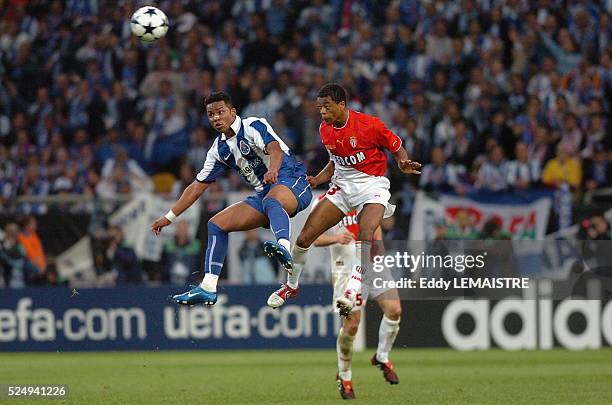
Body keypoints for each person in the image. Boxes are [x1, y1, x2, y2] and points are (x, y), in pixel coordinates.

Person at [267, 83, 420, 319]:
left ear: (342, 104)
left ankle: (354, 287)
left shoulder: (369, 125)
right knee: (305, 236)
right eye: (320, 108)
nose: (323, 112)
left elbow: (396, 144)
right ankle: (291, 285)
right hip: (342, 187)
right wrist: (317, 179)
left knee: (367, 231)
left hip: (372, 185)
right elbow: (335, 162)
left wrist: (403, 161)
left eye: (327, 107)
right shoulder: (325, 130)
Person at [151, 91, 312, 305]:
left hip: (293, 180)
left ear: (232, 111)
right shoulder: (218, 150)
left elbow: (274, 148)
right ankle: (208, 287)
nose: (216, 118)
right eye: (211, 114)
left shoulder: (252, 125)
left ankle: (283, 247)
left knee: (272, 199)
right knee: (217, 224)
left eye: (220, 112)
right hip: (265, 194)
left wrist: (273, 169)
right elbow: (196, 188)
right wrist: (169, 217)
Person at [311, 194, 401, 399]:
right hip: (345, 271)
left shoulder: (367, 191)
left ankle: (382, 357)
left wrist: (379, 251)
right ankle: (344, 375)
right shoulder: (323, 202)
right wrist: (335, 238)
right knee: (352, 325)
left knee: (394, 310)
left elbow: (375, 223)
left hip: (372, 265)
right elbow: (313, 238)